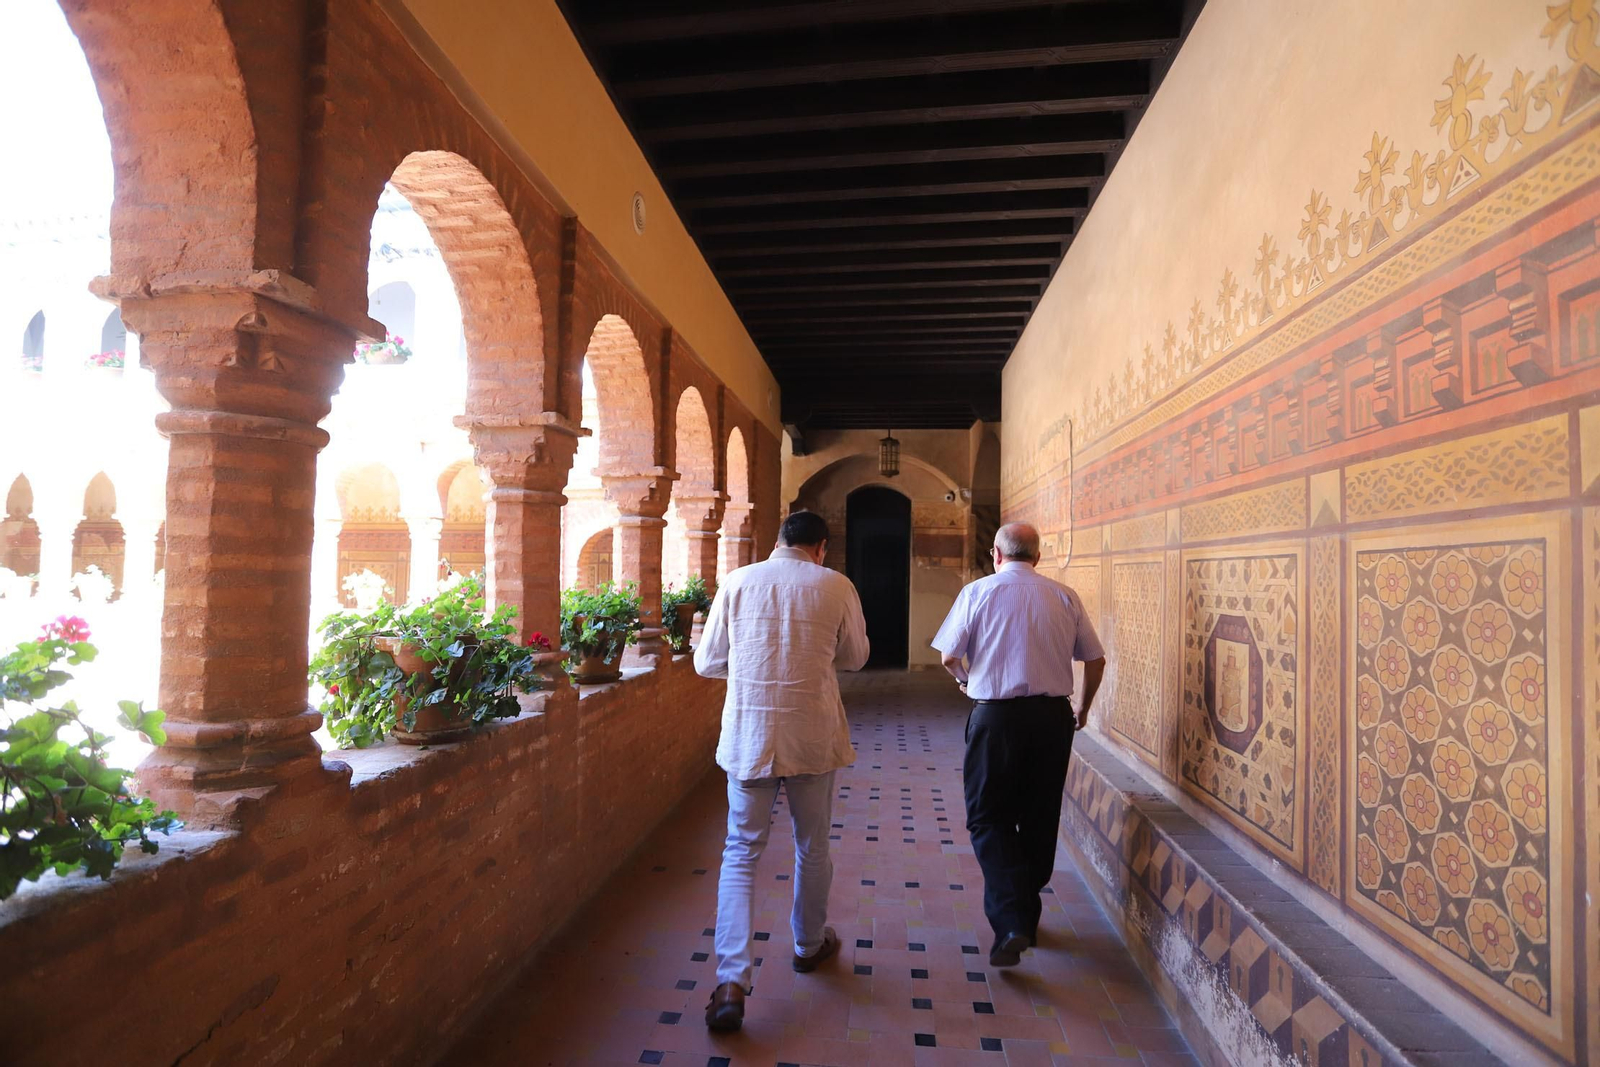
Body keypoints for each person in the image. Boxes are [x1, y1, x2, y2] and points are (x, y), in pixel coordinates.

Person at [693, 510, 870, 1031]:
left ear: (777, 540)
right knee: (812, 845)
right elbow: (856, 657)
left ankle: (731, 981)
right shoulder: (835, 585)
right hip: (811, 736)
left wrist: (750, 667)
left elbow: (706, 663)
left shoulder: (737, 582)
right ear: (821, 547)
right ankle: (808, 944)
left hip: (749, 735)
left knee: (741, 852)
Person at [930, 522, 1106, 968]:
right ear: (1038, 557)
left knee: (988, 817)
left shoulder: (977, 592)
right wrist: (1082, 709)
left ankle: (1011, 919)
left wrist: (967, 680)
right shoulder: (1064, 596)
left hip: (996, 716)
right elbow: (1095, 657)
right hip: (1051, 719)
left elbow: (949, 656)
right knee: (1040, 813)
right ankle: (1024, 914)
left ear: (996, 554)